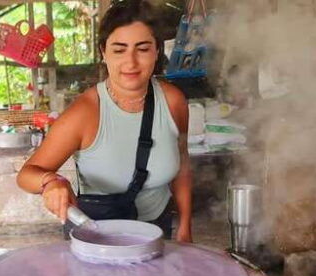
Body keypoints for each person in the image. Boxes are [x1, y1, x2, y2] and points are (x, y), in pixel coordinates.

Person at [16, 0, 192, 242]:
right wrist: (51, 181)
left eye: (142, 49)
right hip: (97, 236)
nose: (131, 62)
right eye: (119, 50)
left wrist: (184, 226)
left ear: (157, 51)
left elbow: (181, 164)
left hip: (158, 228)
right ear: (103, 52)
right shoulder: (84, 114)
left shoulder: (173, 102)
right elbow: (26, 174)